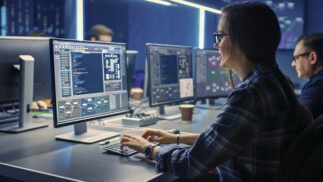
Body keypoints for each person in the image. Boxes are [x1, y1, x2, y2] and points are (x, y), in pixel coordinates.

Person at [120, 2, 312, 182]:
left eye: (220, 36)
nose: (216, 45)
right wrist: (176, 138)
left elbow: (191, 164)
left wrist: (149, 149)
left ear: (242, 39)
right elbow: (226, 140)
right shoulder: (274, 79)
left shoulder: (250, 94)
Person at [292, 34, 323, 119]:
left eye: (296, 58)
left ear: (312, 57)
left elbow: (295, 120)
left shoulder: (318, 85)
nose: (293, 64)